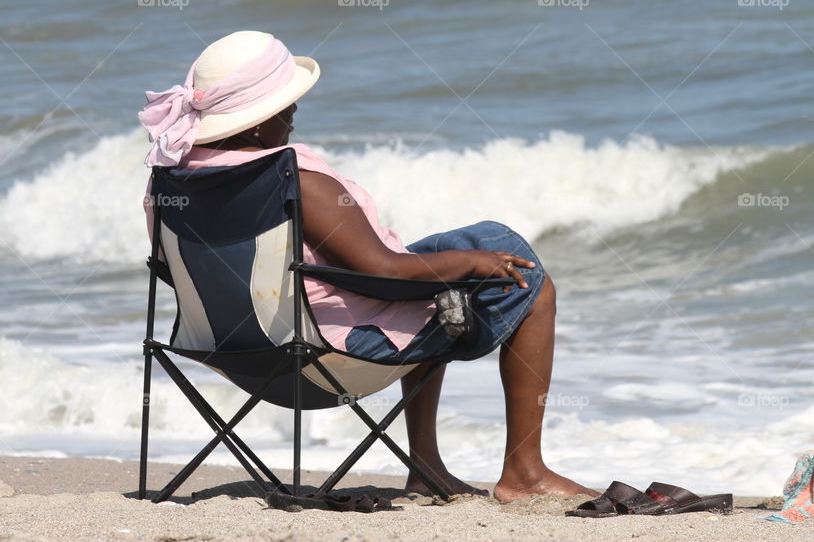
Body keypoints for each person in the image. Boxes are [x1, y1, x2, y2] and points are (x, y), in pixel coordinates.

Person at [139, 30, 598, 502]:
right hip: (324, 358)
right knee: (525, 284)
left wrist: (454, 259)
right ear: (256, 125)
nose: (294, 114)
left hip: (231, 355)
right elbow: (387, 275)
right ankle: (524, 472)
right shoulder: (289, 176)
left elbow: (176, 271)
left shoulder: (170, 180)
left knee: (448, 255)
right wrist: (470, 263)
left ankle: (426, 467)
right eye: (285, 106)